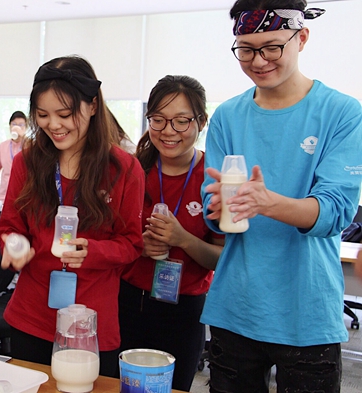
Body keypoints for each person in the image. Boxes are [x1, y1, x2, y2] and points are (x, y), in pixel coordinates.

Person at [201, 1, 362, 391]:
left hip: (306, 310)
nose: (258, 61)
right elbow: (217, 213)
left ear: (301, 37)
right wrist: (218, 207)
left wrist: (267, 202)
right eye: (246, 49)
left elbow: (335, 212)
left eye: (271, 47)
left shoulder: (341, 112)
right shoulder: (227, 116)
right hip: (235, 307)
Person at [0, 55, 145, 377]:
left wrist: (94, 251)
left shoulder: (124, 169)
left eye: (65, 114)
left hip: (90, 322)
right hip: (31, 315)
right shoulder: (29, 162)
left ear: (93, 106)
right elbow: (10, 225)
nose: (54, 125)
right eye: (43, 115)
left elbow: (132, 243)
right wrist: (13, 244)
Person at [118, 75, 224, 391]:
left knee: (174, 387)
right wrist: (138, 247)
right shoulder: (131, 172)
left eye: (181, 122)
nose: (168, 131)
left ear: (201, 122)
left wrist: (183, 240)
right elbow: (107, 241)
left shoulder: (213, 178)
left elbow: (221, 258)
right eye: (159, 120)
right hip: (129, 301)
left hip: (186, 308)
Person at [0, 111, 28, 208]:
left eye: (21, 125)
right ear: (10, 126)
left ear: (26, 127)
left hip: (25, 198)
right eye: (14, 124)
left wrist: (23, 137)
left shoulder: (30, 145)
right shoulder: (3, 146)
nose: (17, 127)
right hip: (4, 198)